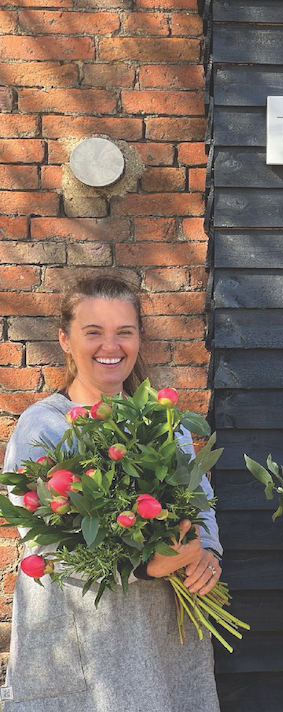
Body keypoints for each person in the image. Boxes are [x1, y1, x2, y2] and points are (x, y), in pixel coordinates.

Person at [2, 275, 222, 712]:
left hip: (165, 637)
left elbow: (200, 500)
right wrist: (145, 567)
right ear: (65, 340)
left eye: (124, 331)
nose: (111, 346)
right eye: (94, 332)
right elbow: (48, 543)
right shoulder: (43, 427)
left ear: (139, 338)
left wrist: (208, 553)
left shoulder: (164, 422)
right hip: (84, 647)